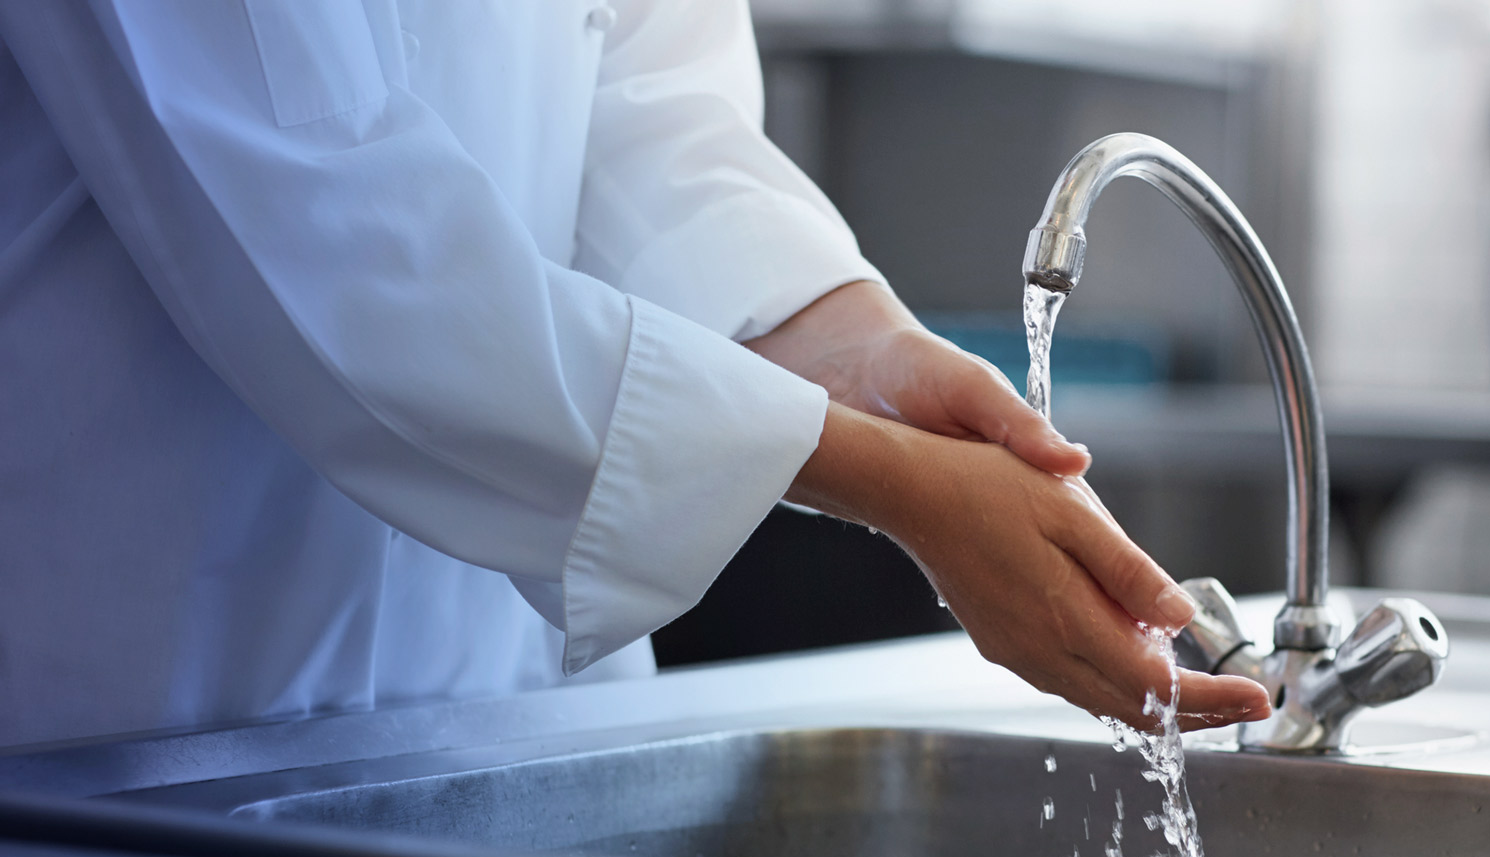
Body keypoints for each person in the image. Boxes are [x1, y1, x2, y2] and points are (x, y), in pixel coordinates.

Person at [0, 0, 1269, 748]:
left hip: (508, 741)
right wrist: (901, 484)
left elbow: (649, 105)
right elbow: (329, 226)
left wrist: (869, 351)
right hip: (134, 743)